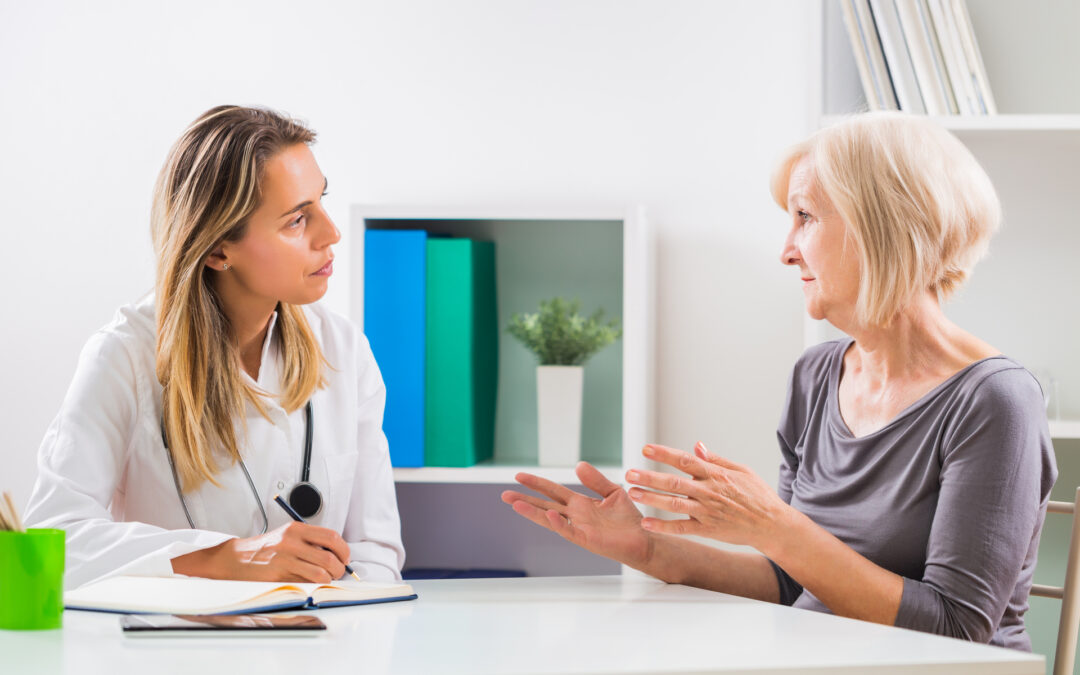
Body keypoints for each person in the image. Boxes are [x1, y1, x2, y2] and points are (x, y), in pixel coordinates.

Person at [502, 111, 1057, 651]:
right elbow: (792, 583)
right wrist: (646, 549)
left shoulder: (994, 400)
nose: (787, 250)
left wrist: (774, 525)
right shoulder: (815, 377)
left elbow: (957, 631)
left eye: (805, 217)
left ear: (882, 225)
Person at [25, 105, 405, 590]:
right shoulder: (123, 357)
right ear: (218, 249)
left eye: (321, 201)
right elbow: (53, 540)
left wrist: (345, 617)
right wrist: (225, 558)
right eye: (296, 220)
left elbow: (375, 552)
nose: (331, 234)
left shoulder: (345, 351)